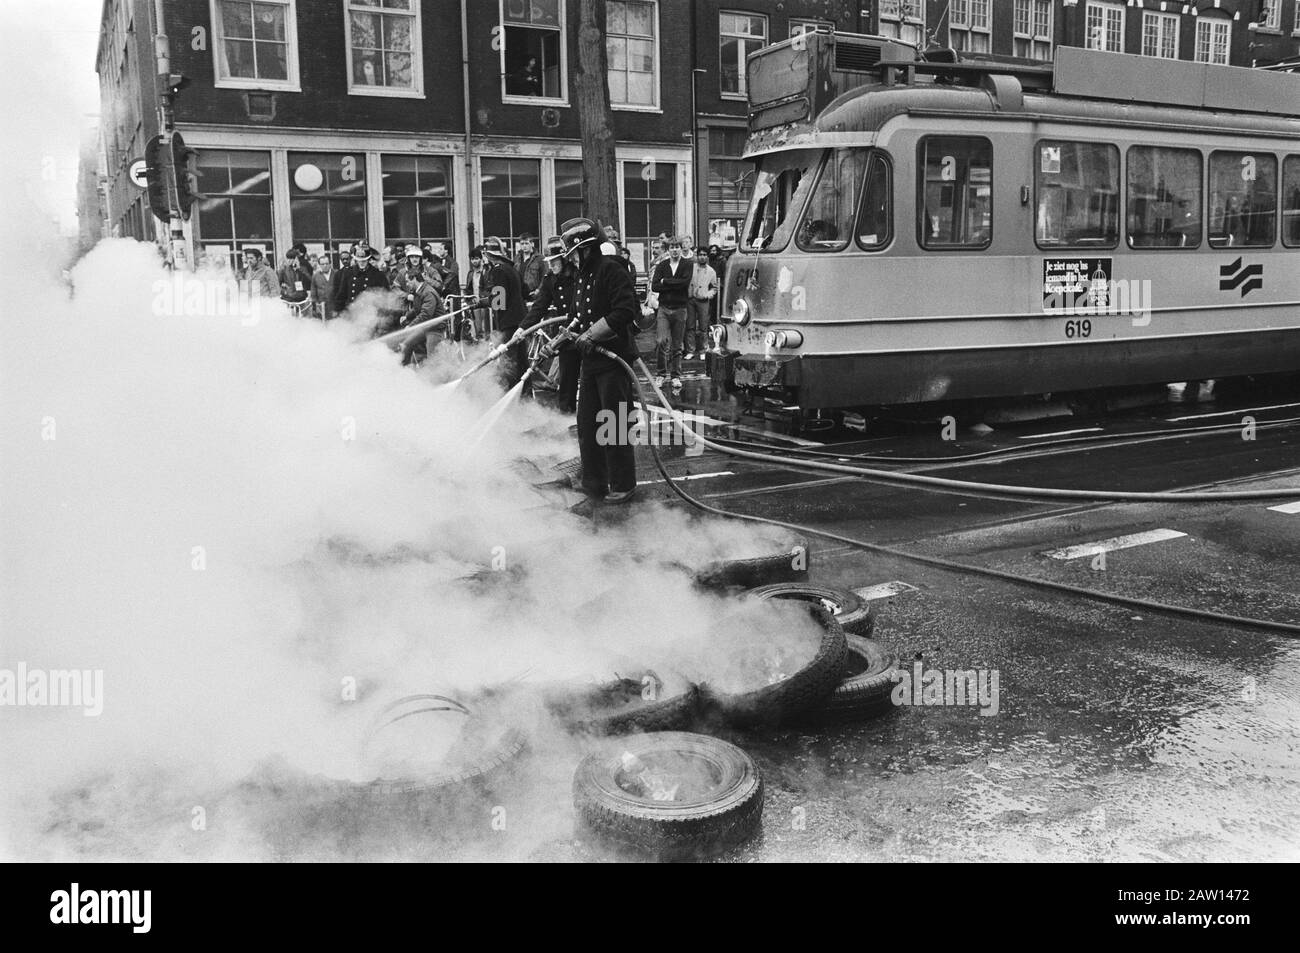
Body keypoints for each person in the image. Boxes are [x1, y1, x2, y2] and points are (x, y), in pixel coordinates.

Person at [557, 217, 639, 503]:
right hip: (590, 361)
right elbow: (577, 314)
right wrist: (561, 339)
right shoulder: (582, 276)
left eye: (573, 254)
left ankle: (623, 484)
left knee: (613, 424)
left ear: (585, 248)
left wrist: (592, 334)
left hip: (613, 359)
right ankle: (594, 483)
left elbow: (626, 310)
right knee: (587, 423)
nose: (572, 261)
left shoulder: (610, 270)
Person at [526, 236, 579, 413]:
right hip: (566, 335)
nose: (551, 265)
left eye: (554, 261)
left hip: (586, 332)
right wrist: (523, 328)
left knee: (590, 381)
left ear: (564, 258)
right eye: (549, 262)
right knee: (566, 381)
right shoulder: (550, 279)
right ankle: (566, 417)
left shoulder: (578, 274)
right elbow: (539, 306)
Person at [478, 236, 527, 386]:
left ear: (488, 255)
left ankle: (509, 395)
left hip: (508, 323)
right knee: (522, 361)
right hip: (521, 321)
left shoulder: (497, 271)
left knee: (509, 361)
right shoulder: (512, 270)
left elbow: (499, 302)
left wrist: (480, 303)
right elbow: (526, 291)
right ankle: (526, 397)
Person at [650, 236, 691, 389]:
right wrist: (673, 284)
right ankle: (661, 374)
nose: (674, 250)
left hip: (680, 308)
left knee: (677, 345)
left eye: (677, 247)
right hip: (664, 308)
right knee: (661, 341)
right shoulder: (661, 265)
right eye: (672, 247)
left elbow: (684, 283)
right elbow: (655, 286)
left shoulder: (687, 264)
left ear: (681, 248)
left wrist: (665, 282)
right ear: (668, 250)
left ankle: (675, 375)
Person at [398, 256, 444, 367]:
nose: (407, 284)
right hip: (425, 327)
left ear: (414, 279)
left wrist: (411, 326)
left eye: (408, 281)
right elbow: (417, 308)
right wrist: (407, 316)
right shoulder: (419, 291)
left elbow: (425, 315)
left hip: (435, 328)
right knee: (406, 345)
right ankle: (404, 373)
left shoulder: (428, 292)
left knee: (432, 356)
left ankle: (436, 379)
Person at [686, 246, 718, 359]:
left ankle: (703, 350)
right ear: (697, 256)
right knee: (690, 325)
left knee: (703, 326)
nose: (702, 257)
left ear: (707, 257)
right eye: (700, 255)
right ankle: (690, 350)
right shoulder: (691, 267)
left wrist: (708, 294)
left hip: (703, 301)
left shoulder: (711, 271)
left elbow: (714, 287)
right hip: (690, 299)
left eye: (705, 255)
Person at [278, 245, 313, 312]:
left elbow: (310, 280)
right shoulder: (283, 270)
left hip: (301, 296)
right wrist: (283, 290)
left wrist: (300, 269)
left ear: (296, 259)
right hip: (288, 297)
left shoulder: (303, 269)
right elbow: (278, 283)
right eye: (288, 258)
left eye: (292, 258)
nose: (289, 261)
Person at [514, 234, 545, 299]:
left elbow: (544, 277)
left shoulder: (540, 258)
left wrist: (538, 291)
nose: (524, 246)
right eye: (522, 244)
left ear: (532, 244)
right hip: (519, 295)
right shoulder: (517, 258)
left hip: (533, 295)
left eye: (526, 243)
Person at [311, 251, 335, 321]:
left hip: (334, 307)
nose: (325, 266)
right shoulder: (315, 276)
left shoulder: (336, 274)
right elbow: (313, 293)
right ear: (319, 265)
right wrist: (316, 307)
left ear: (330, 264)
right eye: (322, 264)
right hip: (322, 307)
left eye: (327, 263)